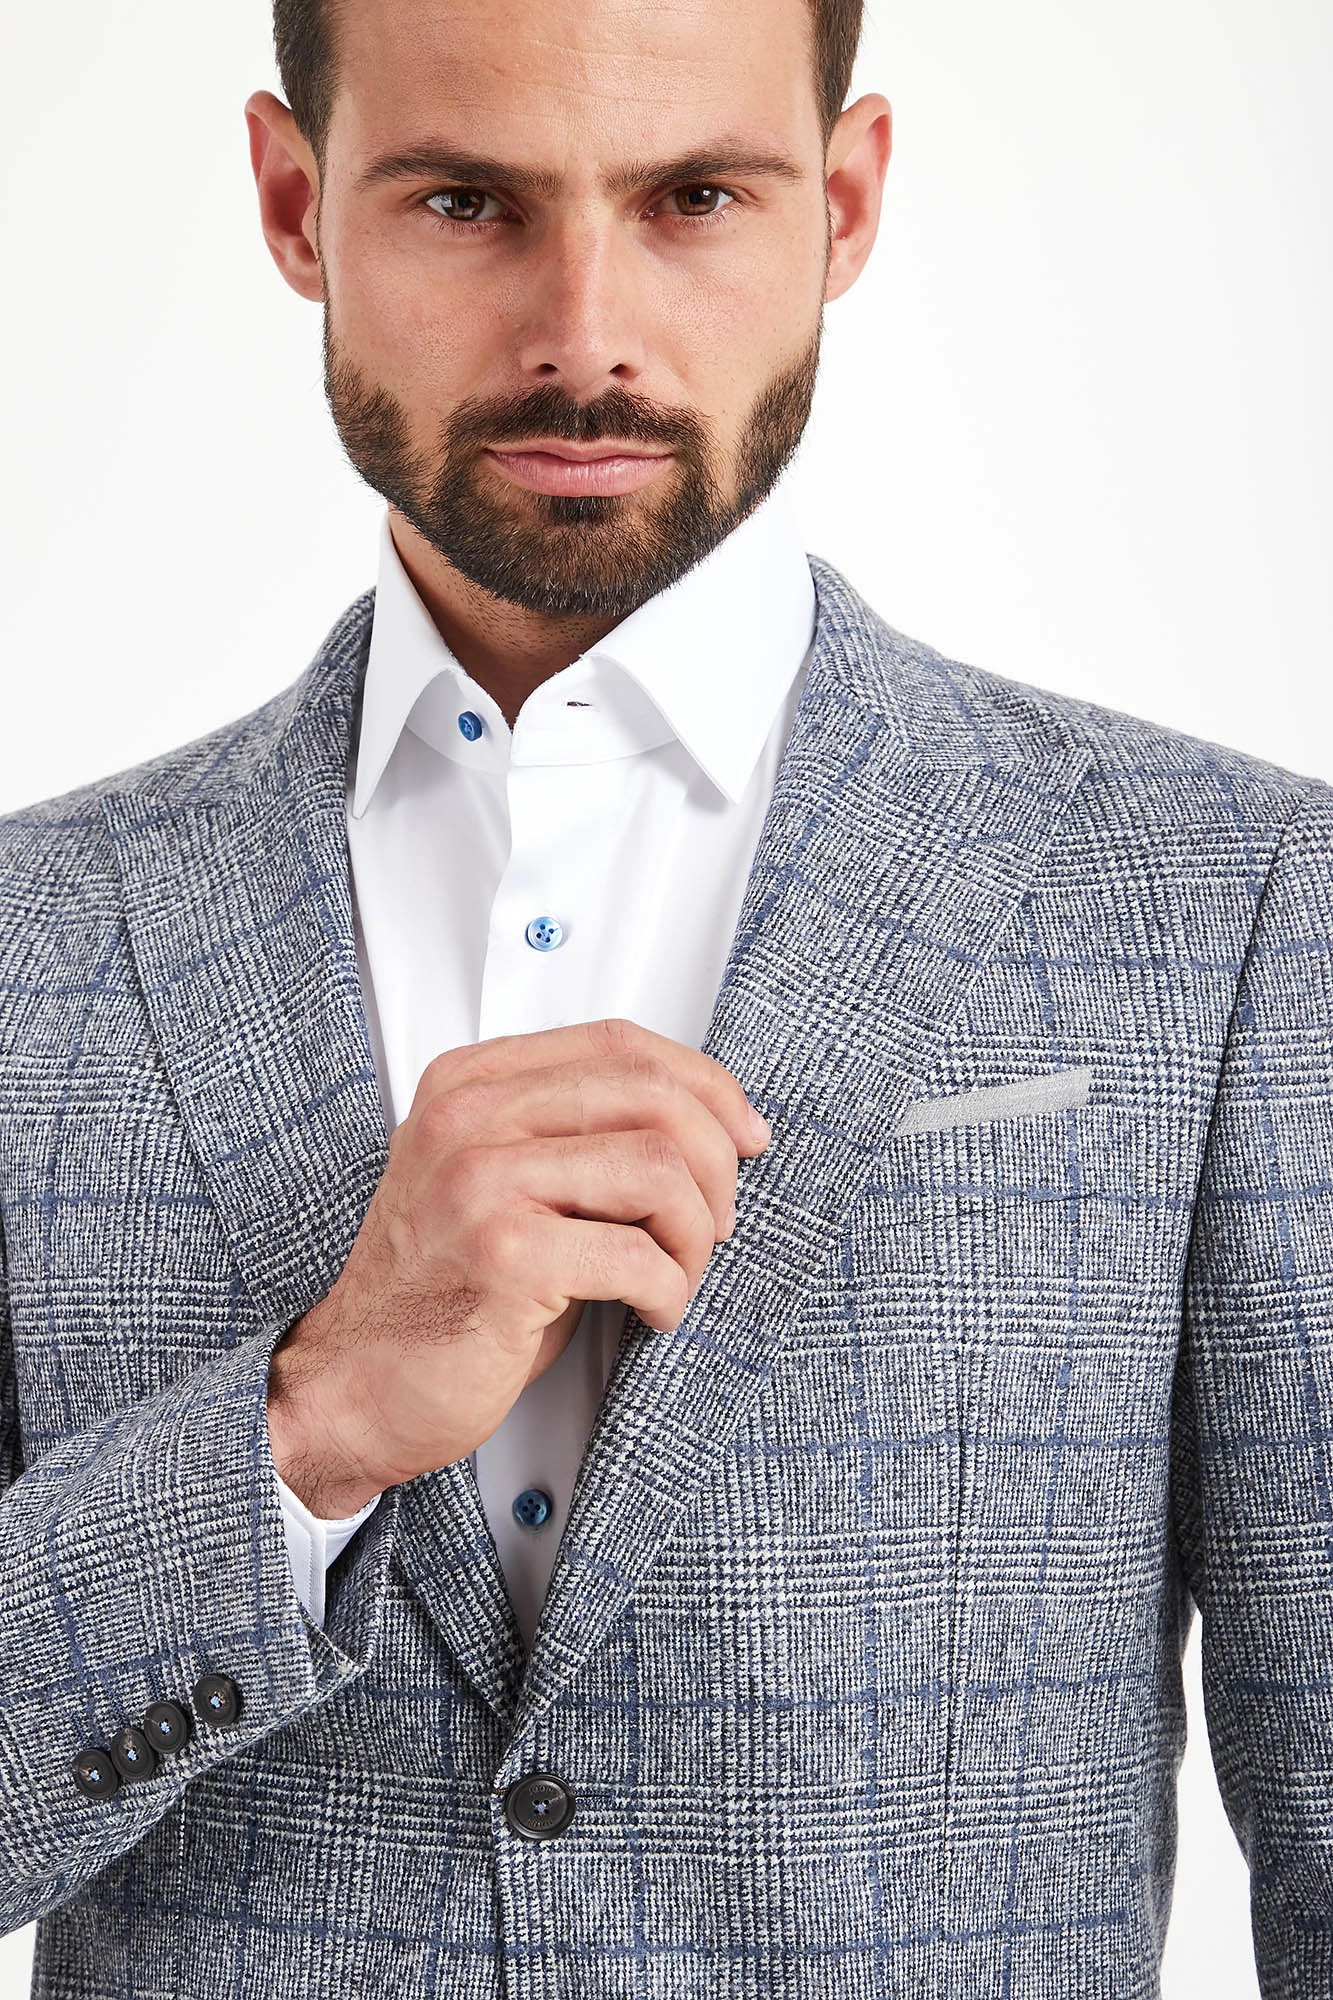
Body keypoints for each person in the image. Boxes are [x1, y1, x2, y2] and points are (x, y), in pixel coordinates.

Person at [0, 0, 1328, 1992]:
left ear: (844, 203)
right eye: (468, 202)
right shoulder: (34, 940)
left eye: (696, 197)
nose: (584, 331)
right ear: (294, 202)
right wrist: (307, 1430)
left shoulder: (1229, 902)